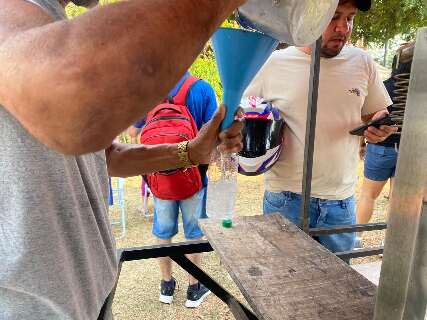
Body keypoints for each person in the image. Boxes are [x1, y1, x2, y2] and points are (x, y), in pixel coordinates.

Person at [0, 0, 245, 319]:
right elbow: (67, 90)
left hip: (89, 296)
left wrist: (189, 152)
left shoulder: (43, 24)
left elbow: (107, 158)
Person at [243, 0, 396, 254]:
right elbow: (242, 116)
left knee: (339, 286)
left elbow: (374, 113)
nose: (343, 28)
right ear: (309, 18)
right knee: (284, 282)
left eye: (349, 18)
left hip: (341, 200)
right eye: (333, 17)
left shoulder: (362, 62)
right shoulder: (272, 63)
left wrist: (379, 125)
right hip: (285, 197)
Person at [145, 71, 217, 307]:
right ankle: (194, 288)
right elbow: (213, 135)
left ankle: (166, 285)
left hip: (160, 180)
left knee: (162, 232)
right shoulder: (202, 89)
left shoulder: (148, 88)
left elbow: (136, 132)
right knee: (194, 234)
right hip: (193, 178)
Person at [356, 43, 414, 244]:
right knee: (396, 201)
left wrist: (361, 144)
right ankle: (389, 243)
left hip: (381, 149)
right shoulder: (420, 93)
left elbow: (370, 120)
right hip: (408, 151)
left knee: (368, 195)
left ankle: (356, 238)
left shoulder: (385, 87)